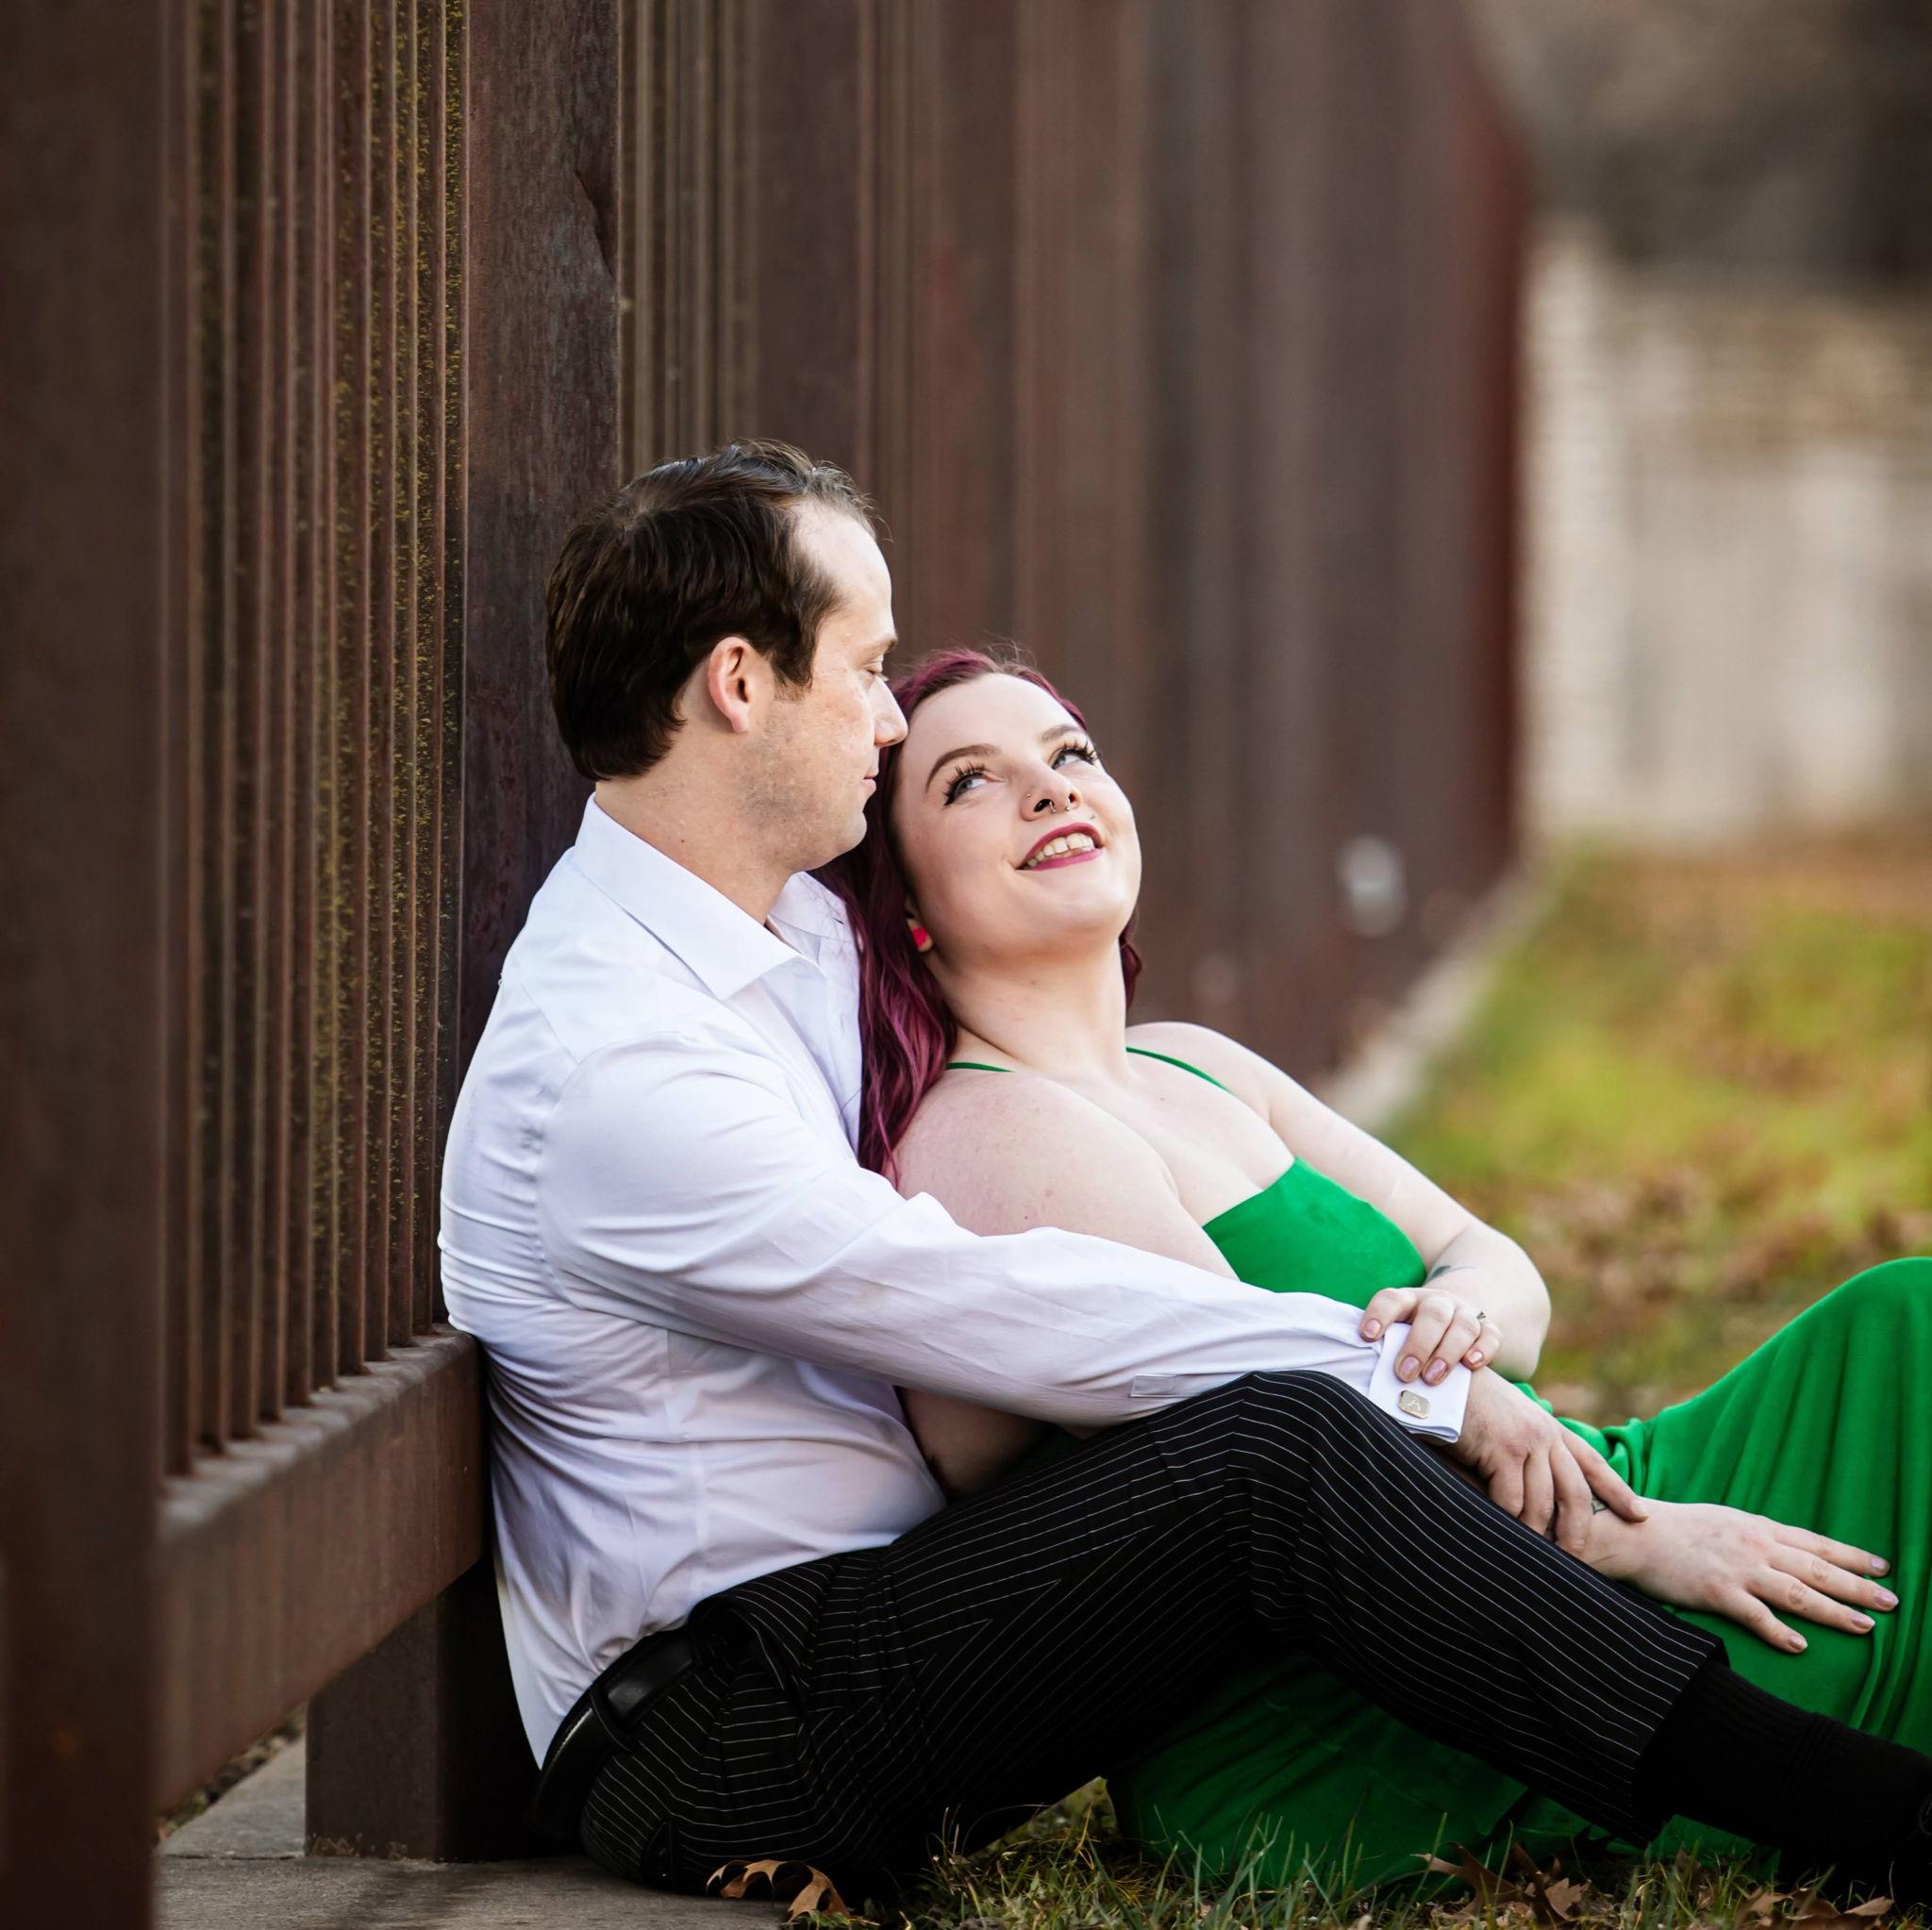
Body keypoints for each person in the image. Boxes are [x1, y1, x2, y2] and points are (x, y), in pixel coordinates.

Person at [438, 440, 1932, 1909]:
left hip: (896, 1615)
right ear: (739, 684)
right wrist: (1426, 1382)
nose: (889, 717)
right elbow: (974, 1302)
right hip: (731, 1731)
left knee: (1295, 1425)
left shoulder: (781, 938)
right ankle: (1859, 1811)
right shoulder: (615, 1062)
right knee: (1278, 1442)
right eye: (867, 666)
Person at [823, 639, 1932, 1889]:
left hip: (1537, 1514)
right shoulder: (995, 1133)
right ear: (901, 900)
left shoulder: (1194, 1062)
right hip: (1377, 1678)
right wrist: (1637, 1537)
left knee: (1906, 1325)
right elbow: (1292, 1454)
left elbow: (1504, 1268)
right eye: (970, 781)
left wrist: (1462, 1305)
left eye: (1069, 753)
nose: (1050, 788)